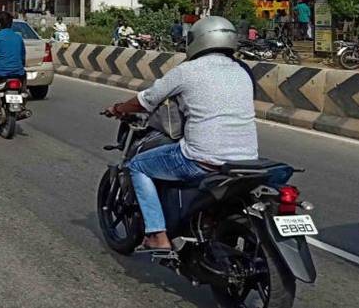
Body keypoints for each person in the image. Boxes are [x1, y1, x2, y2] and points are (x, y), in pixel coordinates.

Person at [103, 16, 258, 252]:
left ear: (197, 40)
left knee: (137, 166)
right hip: (246, 160)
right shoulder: (243, 71)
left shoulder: (187, 71)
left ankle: (157, 234)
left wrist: (118, 108)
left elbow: (146, 101)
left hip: (202, 160)